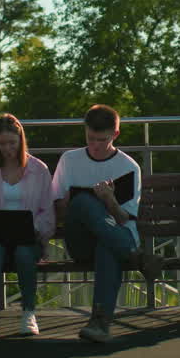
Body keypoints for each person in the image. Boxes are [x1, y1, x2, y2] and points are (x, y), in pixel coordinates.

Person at [51, 104, 141, 343]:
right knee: (81, 201)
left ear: (115, 135)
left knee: (107, 245)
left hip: (111, 239)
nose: (95, 145)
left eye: (102, 140)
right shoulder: (69, 160)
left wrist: (109, 200)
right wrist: (68, 203)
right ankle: (133, 254)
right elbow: (57, 211)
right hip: (81, 242)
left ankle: (100, 323)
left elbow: (124, 219)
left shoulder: (128, 167)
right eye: (90, 138)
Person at [0, 114, 55, 342]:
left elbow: (48, 212)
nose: (7, 148)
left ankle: (29, 313)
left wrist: (35, 228)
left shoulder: (39, 170)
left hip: (28, 239)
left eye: (12, 143)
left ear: (21, 140)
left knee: (24, 253)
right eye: (2, 144)